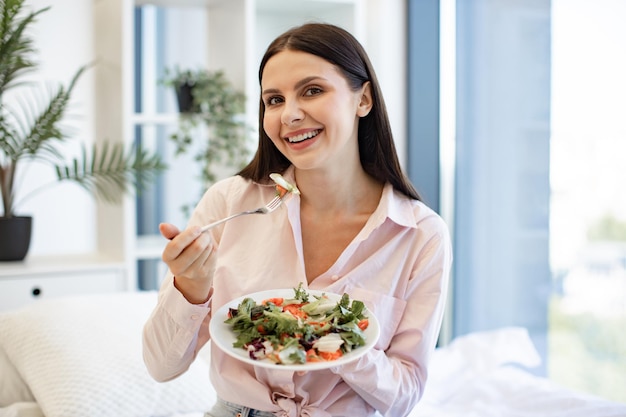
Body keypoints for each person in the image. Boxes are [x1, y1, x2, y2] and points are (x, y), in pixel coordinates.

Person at [143, 22, 452, 417]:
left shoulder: (419, 235)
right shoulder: (230, 203)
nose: (289, 114)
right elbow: (160, 367)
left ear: (364, 99)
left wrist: (335, 339)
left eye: (312, 90)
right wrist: (191, 287)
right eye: (273, 100)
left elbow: (404, 394)